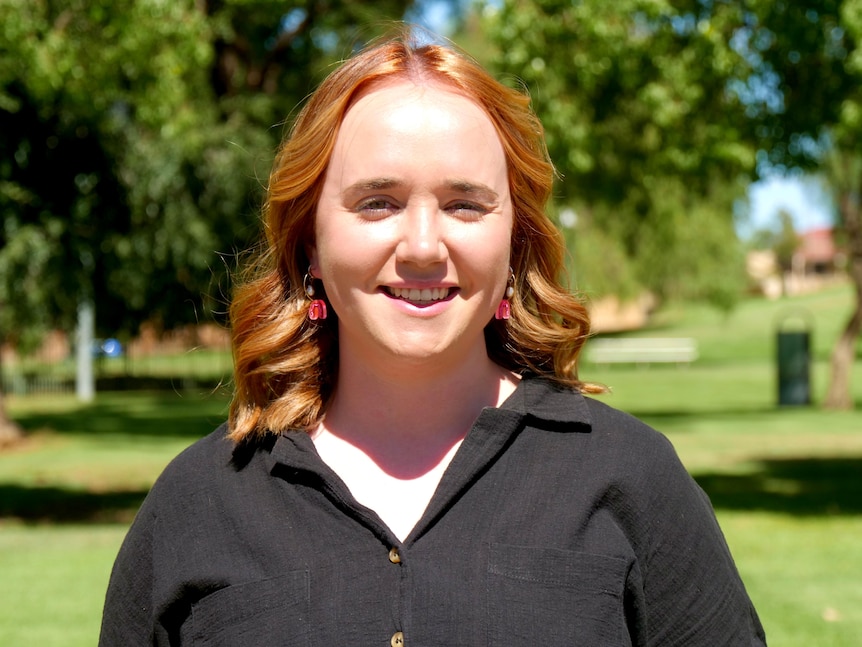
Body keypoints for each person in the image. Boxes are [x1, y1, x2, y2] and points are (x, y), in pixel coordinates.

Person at [99, 29, 767, 646]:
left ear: (515, 240)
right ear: (308, 242)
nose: (422, 246)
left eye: (465, 203)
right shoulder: (199, 503)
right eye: (378, 201)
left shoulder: (634, 480)